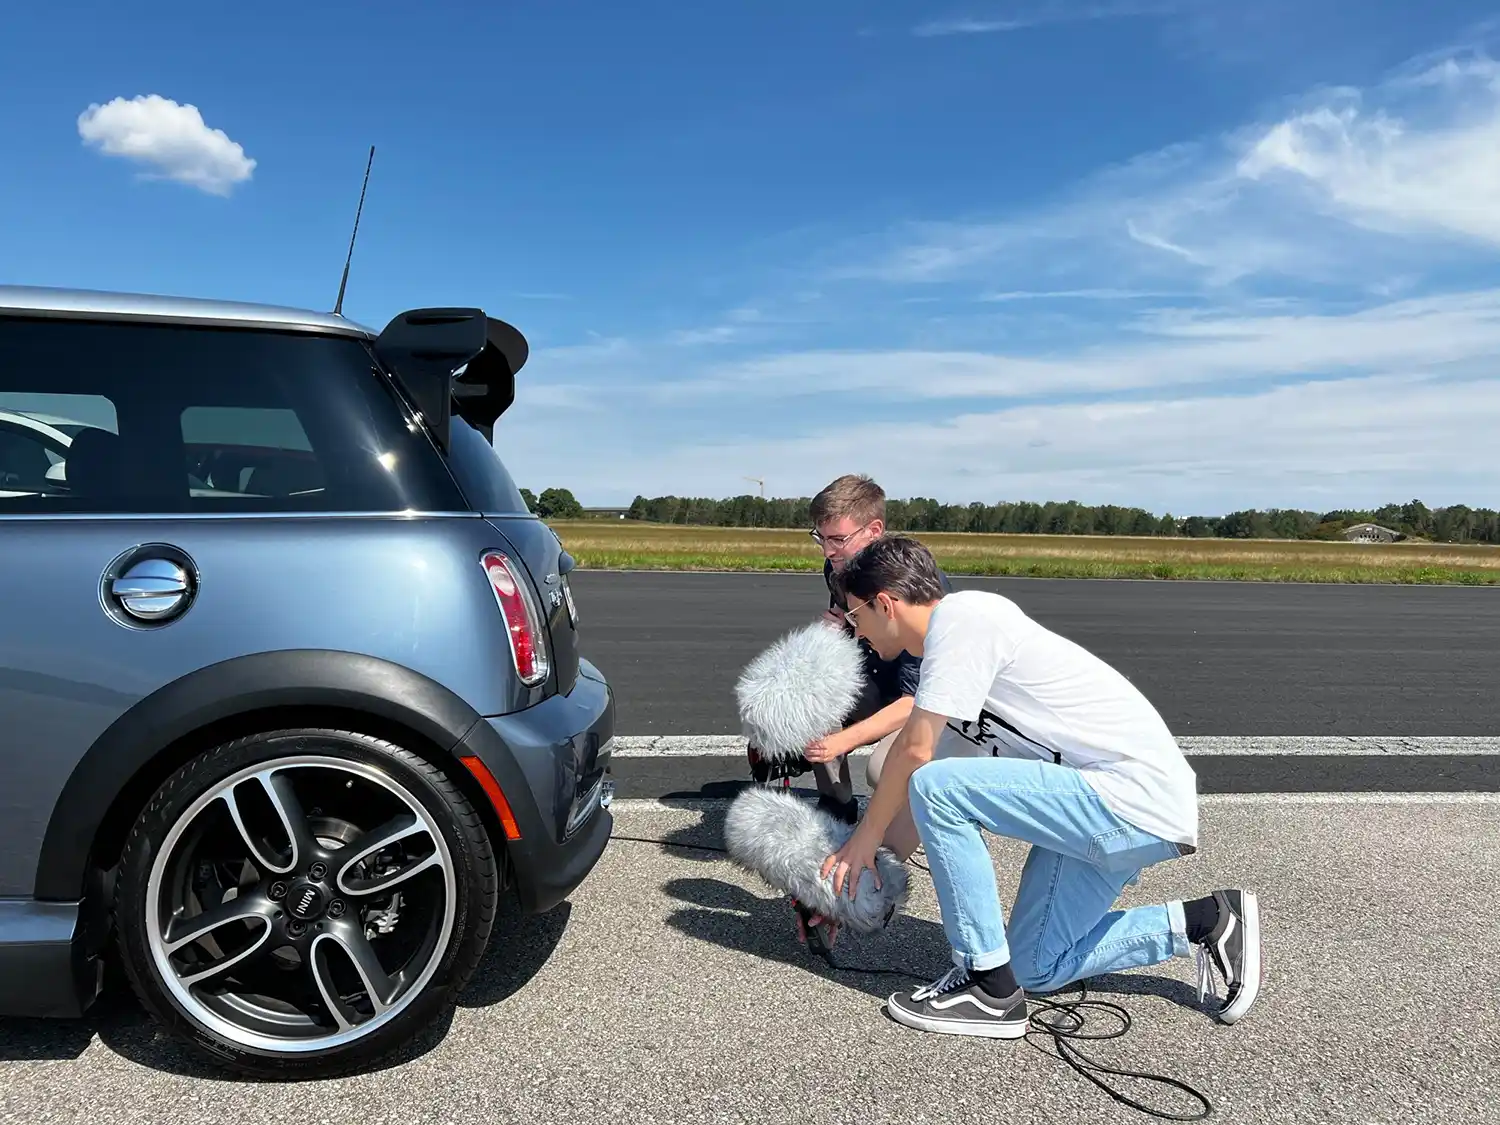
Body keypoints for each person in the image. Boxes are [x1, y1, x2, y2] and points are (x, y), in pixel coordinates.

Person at [820, 534, 1262, 1037]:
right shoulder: (959, 682)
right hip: (1094, 813)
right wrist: (858, 888)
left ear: (885, 604)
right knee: (1034, 967)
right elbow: (914, 816)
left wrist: (861, 840)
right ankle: (1208, 920)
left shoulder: (964, 618)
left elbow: (915, 753)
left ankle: (986, 987)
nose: (856, 632)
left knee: (935, 785)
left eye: (855, 616)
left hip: (1132, 799)